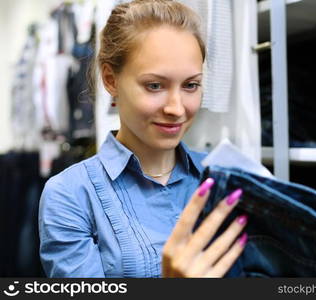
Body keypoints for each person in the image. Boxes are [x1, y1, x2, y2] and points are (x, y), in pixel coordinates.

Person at [38, 0, 248, 278]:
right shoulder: (71, 195)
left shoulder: (230, 176)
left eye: (190, 85)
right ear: (111, 80)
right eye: (155, 85)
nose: (176, 108)